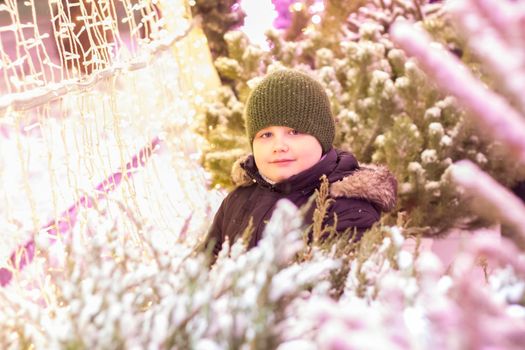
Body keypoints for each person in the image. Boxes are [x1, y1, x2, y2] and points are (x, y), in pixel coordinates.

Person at [205, 69, 397, 257]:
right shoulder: (237, 201)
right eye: (266, 135)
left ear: (322, 137)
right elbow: (203, 269)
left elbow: (335, 284)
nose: (278, 146)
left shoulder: (347, 210)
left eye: (294, 132)